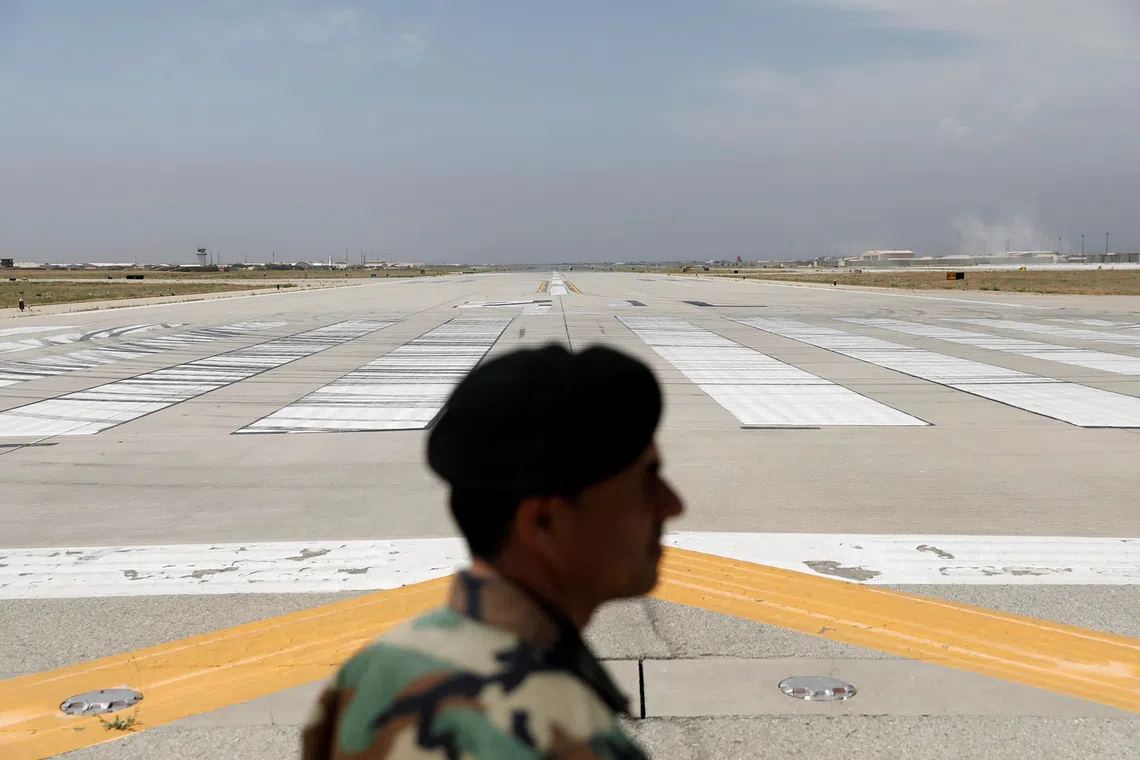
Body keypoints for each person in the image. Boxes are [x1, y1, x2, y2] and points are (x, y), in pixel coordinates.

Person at [302, 343, 685, 759]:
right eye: (647, 480)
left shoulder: (369, 675)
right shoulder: (570, 739)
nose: (673, 504)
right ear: (543, 521)